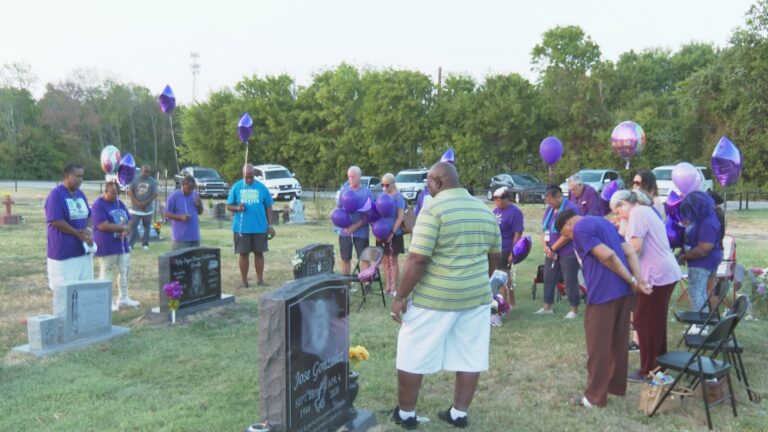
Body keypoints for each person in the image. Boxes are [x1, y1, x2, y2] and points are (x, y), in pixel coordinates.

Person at [390, 162, 501, 429]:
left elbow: (417, 259)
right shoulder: (485, 211)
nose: (427, 188)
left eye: (428, 183)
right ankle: (459, 413)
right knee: (470, 355)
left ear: (437, 182)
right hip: (476, 298)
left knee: (412, 352)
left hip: (435, 299)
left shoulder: (433, 210)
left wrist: (400, 296)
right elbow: (496, 257)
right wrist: (475, 280)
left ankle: (406, 415)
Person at [554, 209, 652, 408]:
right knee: (618, 342)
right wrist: (638, 280)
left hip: (603, 292)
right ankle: (614, 387)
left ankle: (594, 398)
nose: (570, 239)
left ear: (568, 225)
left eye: (566, 235)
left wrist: (633, 280)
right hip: (623, 292)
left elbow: (607, 257)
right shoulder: (603, 222)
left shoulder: (580, 227)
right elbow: (630, 251)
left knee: (598, 347)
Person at [609, 190, 682, 382]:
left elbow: (635, 247)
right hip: (665, 272)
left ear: (624, 204)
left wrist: (612, 256)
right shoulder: (645, 211)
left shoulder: (637, 214)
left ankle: (649, 369)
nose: (618, 216)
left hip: (656, 275)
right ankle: (658, 365)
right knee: (654, 320)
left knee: (644, 320)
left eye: (617, 211)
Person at [45, 163, 94, 290]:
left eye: (82, 176)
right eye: (77, 176)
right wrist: (78, 234)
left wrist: (88, 230)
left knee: (84, 290)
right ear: (66, 176)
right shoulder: (56, 195)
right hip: (64, 254)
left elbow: (89, 215)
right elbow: (56, 221)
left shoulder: (81, 194)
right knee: (65, 293)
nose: (80, 180)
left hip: (82, 252)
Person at [93, 181, 140, 311]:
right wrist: (121, 228)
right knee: (106, 272)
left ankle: (123, 298)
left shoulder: (119, 202)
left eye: (116, 194)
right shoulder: (98, 205)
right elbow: (102, 225)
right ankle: (105, 301)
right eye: (111, 194)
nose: (113, 197)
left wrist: (127, 228)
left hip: (122, 244)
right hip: (106, 244)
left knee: (124, 270)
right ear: (105, 191)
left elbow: (129, 218)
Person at [226, 164, 276, 288]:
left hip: (259, 227)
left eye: (251, 177)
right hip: (242, 228)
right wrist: (238, 208)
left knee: (259, 253)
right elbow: (228, 206)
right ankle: (244, 281)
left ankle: (260, 280)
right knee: (243, 254)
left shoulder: (261, 188)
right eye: (247, 177)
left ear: (254, 175)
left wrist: (270, 225)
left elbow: (269, 207)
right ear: (243, 175)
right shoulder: (237, 187)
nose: (249, 179)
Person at [536, 185, 582, 318]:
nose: (549, 203)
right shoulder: (550, 209)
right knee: (548, 277)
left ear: (559, 196)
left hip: (568, 251)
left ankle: (574, 310)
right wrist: (545, 245)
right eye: (547, 200)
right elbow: (545, 228)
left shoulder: (571, 209)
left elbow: (568, 233)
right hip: (551, 251)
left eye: (551, 200)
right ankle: (547, 306)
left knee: (569, 279)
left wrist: (553, 248)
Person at [677, 191, 723, 317]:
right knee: (702, 291)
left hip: (703, 262)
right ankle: (704, 322)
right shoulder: (705, 217)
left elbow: (704, 248)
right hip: (707, 261)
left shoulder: (707, 222)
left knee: (696, 292)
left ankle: (699, 325)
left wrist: (685, 256)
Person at [337, 166, 374, 277]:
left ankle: (366, 283)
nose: (351, 179)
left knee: (364, 258)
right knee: (345, 257)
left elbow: (370, 214)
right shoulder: (344, 191)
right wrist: (341, 224)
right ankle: (346, 283)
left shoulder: (366, 192)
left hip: (361, 231)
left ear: (360, 177)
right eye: (349, 177)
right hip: (345, 232)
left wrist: (356, 226)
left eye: (354, 176)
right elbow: (339, 209)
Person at [492, 187, 524, 309]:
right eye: (495, 199)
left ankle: (506, 303)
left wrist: (513, 252)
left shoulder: (514, 212)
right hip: (495, 248)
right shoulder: (495, 211)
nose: (497, 202)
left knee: (503, 275)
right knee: (497, 275)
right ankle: (509, 301)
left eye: (499, 199)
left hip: (506, 247)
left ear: (506, 199)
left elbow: (518, 233)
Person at [376, 173, 406, 295]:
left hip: (395, 233)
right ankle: (387, 286)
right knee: (385, 261)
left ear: (393, 184)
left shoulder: (398, 197)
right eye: (382, 184)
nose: (384, 187)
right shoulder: (381, 196)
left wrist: (392, 233)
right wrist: (377, 231)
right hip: (382, 233)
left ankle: (394, 287)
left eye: (387, 185)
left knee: (393, 260)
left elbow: (400, 217)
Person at [165, 176, 203, 250]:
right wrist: (181, 217)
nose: (191, 191)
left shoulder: (195, 195)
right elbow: (167, 213)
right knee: (179, 259)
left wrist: (198, 205)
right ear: (183, 185)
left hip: (194, 236)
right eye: (188, 188)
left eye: (192, 188)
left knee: (195, 260)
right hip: (180, 237)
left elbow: (200, 212)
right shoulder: (174, 196)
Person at [127, 165, 158, 250]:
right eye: (145, 171)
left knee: (147, 227)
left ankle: (145, 244)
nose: (147, 174)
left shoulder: (153, 181)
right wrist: (137, 202)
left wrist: (145, 203)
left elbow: (155, 194)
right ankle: (130, 244)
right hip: (135, 209)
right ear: (141, 171)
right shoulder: (135, 179)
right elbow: (130, 192)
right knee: (133, 226)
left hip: (147, 210)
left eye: (148, 172)